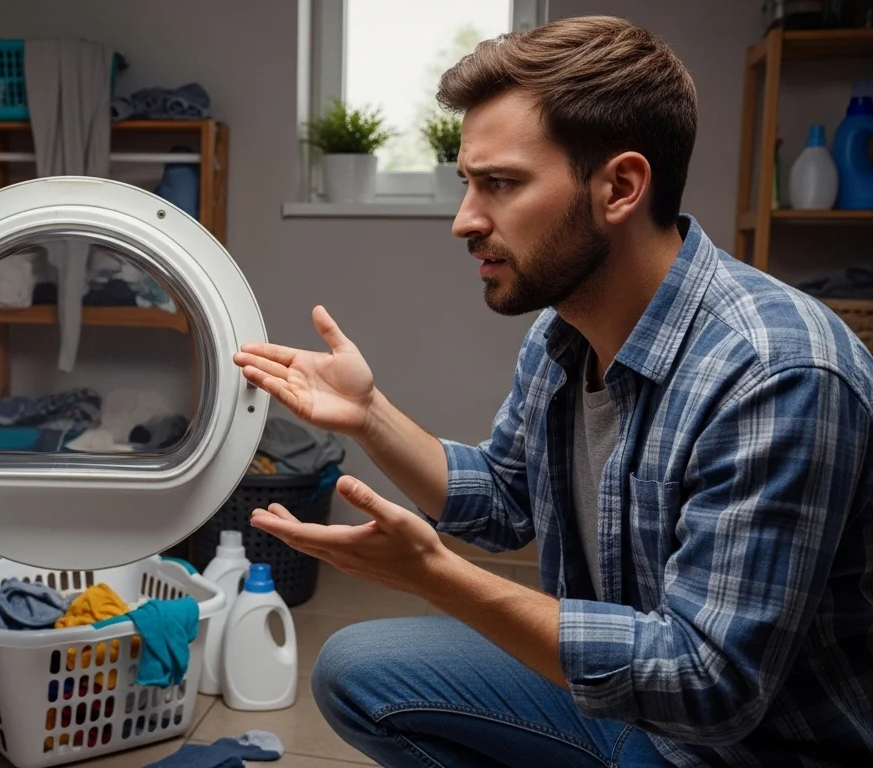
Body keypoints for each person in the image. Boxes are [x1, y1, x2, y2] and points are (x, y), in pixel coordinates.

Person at [234, 15, 873, 768]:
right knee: (357, 672)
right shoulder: (563, 332)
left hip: (743, 748)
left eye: (500, 184)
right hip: (631, 706)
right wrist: (370, 416)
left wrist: (438, 578)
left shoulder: (776, 374)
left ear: (622, 187)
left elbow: (710, 685)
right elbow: (505, 499)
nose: (464, 220)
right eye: (468, 183)